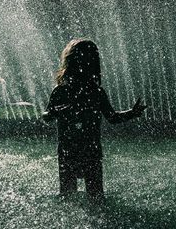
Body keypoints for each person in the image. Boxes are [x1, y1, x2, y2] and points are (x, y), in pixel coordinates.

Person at [43, 38, 147, 203]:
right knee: (95, 197)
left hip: (72, 151)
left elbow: (111, 117)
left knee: (69, 197)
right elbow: (46, 116)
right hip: (85, 151)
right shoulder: (75, 91)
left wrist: (132, 113)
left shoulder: (86, 92)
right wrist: (55, 112)